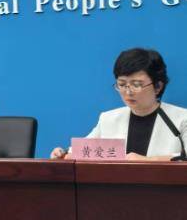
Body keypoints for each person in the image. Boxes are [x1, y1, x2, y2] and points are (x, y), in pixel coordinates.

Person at [51, 48, 187, 161]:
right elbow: (83, 151)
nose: (128, 92)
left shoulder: (181, 119)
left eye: (136, 85)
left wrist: (149, 160)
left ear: (157, 86)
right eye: (122, 84)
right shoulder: (108, 119)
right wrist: (62, 153)